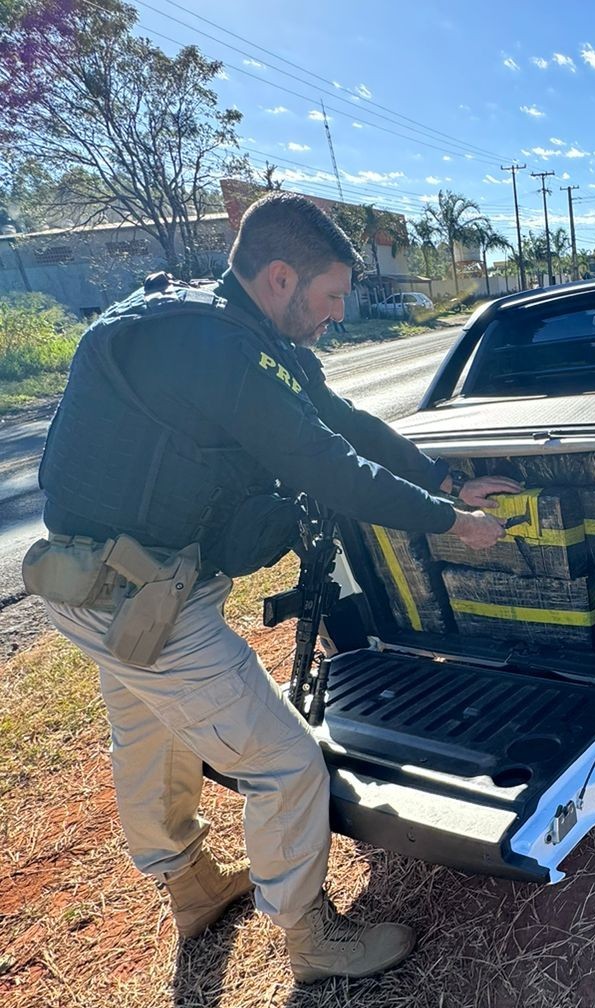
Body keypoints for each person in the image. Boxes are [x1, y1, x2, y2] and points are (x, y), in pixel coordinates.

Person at [24, 192, 518, 983]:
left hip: (99, 585)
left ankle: (189, 890)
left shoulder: (223, 331)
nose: (334, 318)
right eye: (328, 300)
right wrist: (451, 523)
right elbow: (330, 467)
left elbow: (341, 418)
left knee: (149, 735)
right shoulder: (217, 352)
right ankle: (311, 939)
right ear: (282, 278)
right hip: (138, 598)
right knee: (286, 762)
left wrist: (444, 479)